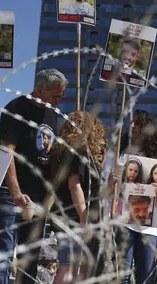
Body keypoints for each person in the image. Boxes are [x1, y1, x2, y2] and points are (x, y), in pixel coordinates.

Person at [0, 68, 67, 284]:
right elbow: (8, 151)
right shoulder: (17, 108)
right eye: (55, 95)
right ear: (40, 89)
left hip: (38, 196)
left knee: (31, 256)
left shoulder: (52, 113)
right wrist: (15, 192)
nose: (59, 100)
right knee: (5, 250)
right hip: (12, 191)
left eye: (62, 95)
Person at [110, 109, 157, 284]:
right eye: (132, 122)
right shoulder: (120, 153)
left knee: (146, 273)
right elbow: (109, 189)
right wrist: (112, 181)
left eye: (137, 123)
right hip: (124, 220)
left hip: (148, 226)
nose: (133, 126)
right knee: (123, 272)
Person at [48, 111, 106, 283]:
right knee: (69, 268)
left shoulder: (64, 150)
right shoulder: (78, 151)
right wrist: (84, 217)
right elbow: (75, 185)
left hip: (66, 216)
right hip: (74, 218)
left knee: (70, 267)